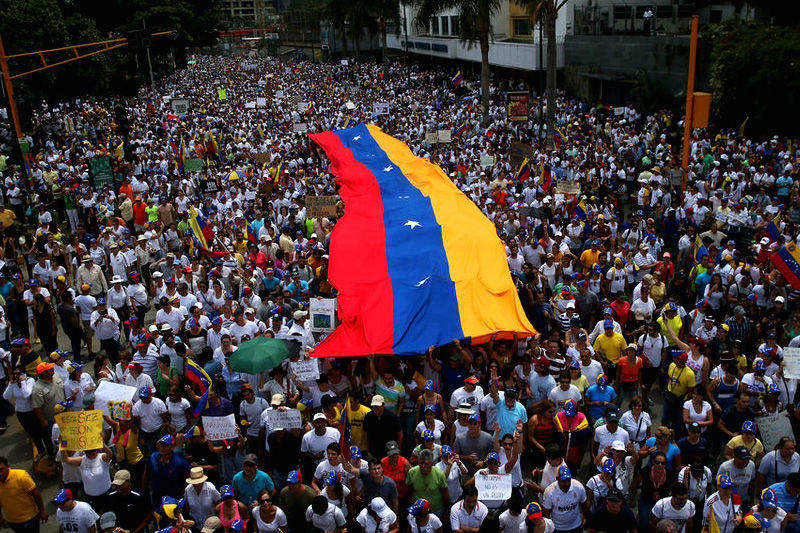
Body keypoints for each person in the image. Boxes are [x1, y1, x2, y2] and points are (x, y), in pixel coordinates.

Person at [0, 455, 49, 532]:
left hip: (29, 519)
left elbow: (36, 494)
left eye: (1, 470)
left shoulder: (21, 476)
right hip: (12, 521)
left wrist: (42, 511)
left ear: (8, 467)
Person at [542, 465, 588, 533]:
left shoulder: (579, 487)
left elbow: (584, 505)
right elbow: (546, 513)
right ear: (557, 479)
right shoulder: (549, 492)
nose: (567, 484)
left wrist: (586, 518)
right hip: (557, 528)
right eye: (563, 481)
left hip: (575, 525)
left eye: (568, 480)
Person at [406, 450, 449, 519]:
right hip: (418, 510)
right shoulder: (412, 473)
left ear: (432, 463)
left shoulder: (439, 474)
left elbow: (445, 494)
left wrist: (446, 511)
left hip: (436, 510)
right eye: (421, 463)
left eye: (426, 464)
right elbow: (409, 491)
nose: (423, 466)